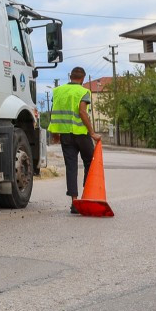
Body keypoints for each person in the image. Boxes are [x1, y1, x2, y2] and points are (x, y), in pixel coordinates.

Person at [49, 66, 102, 211]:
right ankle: (87, 196)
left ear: (70, 77)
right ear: (83, 78)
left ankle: (74, 202)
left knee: (71, 167)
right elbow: (82, 112)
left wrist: (55, 133)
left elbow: (54, 112)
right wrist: (92, 132)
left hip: (66, 135)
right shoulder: (83, 91)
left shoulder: (58, 91)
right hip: (81, 134)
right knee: (89, 163)